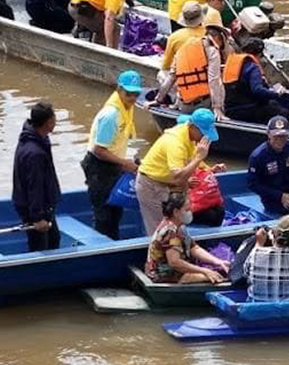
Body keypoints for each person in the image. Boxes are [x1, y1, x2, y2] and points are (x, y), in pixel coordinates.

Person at [136, 107, 219, 236]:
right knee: (160, 232)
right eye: (203, 133)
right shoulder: (175, 142)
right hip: (151, 185)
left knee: (176, 226)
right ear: (192, 126)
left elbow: (190, 160)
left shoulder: (190, 137)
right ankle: (157, 255)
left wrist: (210, 169)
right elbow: (178, 177)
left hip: (169, 186)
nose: (204, 137)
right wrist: (199, 157)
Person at [81, 70, 144, 239]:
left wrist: (126, 163)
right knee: (104, 215)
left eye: (136, 94)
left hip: (114, 165)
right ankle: (103, 248)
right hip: (99, 167)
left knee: (116, 210)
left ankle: (113, 241)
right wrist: (125, 163)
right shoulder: (111, 115)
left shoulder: (126, 108)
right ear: (119, 90)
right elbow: (98, 150)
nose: (132, 98)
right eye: (128, 93)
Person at [154, 13, 229, 118]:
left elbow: (171, 78)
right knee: (221, 85)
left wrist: (158, 100)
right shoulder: (212, 51)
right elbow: (214, 80)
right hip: (205, 105)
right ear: (217, 38)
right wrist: (217, 108)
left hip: (185, 106)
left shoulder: (183, 49)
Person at [145, 193, 231, 284]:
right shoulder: (170, 232)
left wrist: (218, 262)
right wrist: (204, 271)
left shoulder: (180, 226)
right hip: (164, 273)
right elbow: (174, 263)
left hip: (176, 269)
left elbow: (194, 248)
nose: (190, 212)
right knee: (214, 277)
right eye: (187, 209)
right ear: (176, 212)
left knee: (218, 270)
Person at [11, 102, 61, 252]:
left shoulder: (37, 138)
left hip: (42, 204)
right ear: (48, 122)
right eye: (54, 119)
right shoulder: (35, 154)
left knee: (54, 239)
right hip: (35, 208)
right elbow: (35, 186)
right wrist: (37, 218)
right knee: (40, 246)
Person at [69, 0, 149, 48]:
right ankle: (103, 55)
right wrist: (109, 45)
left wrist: (131, 4)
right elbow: (109, 18)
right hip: (80, 8)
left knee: (114, 28)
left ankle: (97, 45)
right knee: (111, 29)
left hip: (89, 5)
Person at [223, 36, 289, 124]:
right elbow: (257, 90)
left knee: (273, 104)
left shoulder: (232, 63)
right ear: (259, 54)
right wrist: (276, 93)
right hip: (248, 109)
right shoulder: (252, 67)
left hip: (230, 110)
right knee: (283, 112)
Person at [159, 1, 209, 80]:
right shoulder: (209, 34)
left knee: (162, 73)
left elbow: (166, 65)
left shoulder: (174, 37)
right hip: (206, 75)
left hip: (183, 77)